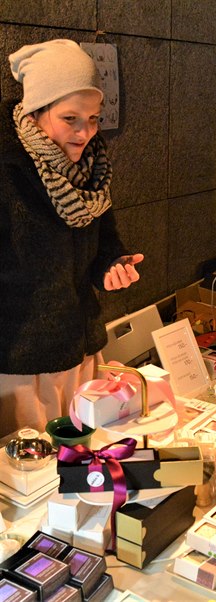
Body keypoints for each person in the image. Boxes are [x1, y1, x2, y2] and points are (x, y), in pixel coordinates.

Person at [0, 39, 143, 438]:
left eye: (94, 118)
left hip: (82, 352)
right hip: (21, 366)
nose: (85, 133)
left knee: (85, 469)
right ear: (36, 111)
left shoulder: (93, 166)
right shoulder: (7, 170)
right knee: (32, 484)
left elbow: (104, 239)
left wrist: (112, 265)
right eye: (70, 119)